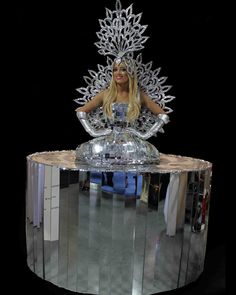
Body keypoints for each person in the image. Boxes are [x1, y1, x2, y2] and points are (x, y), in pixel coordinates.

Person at [75, 59, 170, 166]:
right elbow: (81, 112)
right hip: (108, 140)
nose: (118, 73)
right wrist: (93, 132)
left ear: (130, 73)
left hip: (131, 143)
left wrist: (145, 135)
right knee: (84, 151)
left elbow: (163, 116)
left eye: (123, 69)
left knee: (149, 154)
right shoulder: (105, 94)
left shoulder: (138, 96)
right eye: (115, 70)